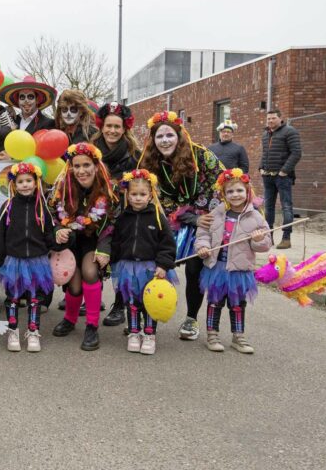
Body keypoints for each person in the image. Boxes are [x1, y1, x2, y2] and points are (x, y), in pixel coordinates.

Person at [138, 110, 224, 342]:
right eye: (159, 136)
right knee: (156, 264)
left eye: (169, 135)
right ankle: (147, 317)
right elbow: (154, 196)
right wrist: (184, 216)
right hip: (168, 220)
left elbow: (221, 182)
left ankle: (191, 319)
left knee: (195, 269)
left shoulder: (201, 155)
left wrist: (201, 214)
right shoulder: (149, 161)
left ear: (179, 135)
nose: (165, 140)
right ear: (153, 140)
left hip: (204, 217)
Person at [0, 162, 67, 353]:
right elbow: (0, 233)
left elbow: (49, 233)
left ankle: (33, 331)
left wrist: (59, 242)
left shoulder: (42, 208)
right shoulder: (7, 207)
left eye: (28, 181)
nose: (25, 185)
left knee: (35, 298)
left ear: (36, 183)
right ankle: (13, 331)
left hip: (37, 261)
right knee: (13, 297)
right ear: (14, 184)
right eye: (21, 181)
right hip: (13, 260)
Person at [50, 143, 117, 351]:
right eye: (76, 166)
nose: (81, 171)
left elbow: (112, 223)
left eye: (86, 165)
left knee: (89, 272)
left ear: (96, 166)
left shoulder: (108, 189)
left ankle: (91, 326)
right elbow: (52, 214)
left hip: (94, 241)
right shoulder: (62, 187)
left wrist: (105, 249)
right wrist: (57, 230)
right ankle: (70, 319)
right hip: (71, 242)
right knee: (75, 284)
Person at [196, 169, 270, 353]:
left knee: (237, 304)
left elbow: (265, 244)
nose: (235, 195)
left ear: (247, 192)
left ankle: (239, 336)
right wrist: (203, 247)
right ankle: (212, 334)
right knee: (215, 301)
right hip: (217, 267)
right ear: (223, 194)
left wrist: (258, 239)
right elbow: (203, 233)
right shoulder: (217, 213)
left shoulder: (256, 217)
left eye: (239, 191)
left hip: (240, 269)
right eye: (230, 192)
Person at [110, 169, 177, 355]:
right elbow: (117, 241)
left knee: (149, 301)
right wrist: (112, 262)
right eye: (134, 194)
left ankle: (149, 334)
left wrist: (163, 265)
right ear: (127, 194)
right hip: (128, 267)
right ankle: (133, 332)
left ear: (150, 195)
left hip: (151, 268)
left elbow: (168, 244)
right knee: (131, 301)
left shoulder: (157, 217)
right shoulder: (123, 217)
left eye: (142, 194)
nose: (138, 198)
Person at [91, 101, 140, 327]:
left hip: (123, 215)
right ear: (101, 126)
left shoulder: (134, 153)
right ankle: (92, 299)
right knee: (94, 256)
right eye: (108, 126)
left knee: (120, 259)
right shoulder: (91, 150)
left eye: (117, 127)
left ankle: (119, 304)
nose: (112, 130)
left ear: (124, 129)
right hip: (95, 212)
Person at [260, 109, 301, 250]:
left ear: (280, 118)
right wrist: (261, 167)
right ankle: (268, 238)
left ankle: (286, 238)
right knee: (268, 208)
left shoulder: (290, 131)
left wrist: (284, 171)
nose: (270, 121)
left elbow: (296, 153)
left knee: (286, 207)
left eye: (273, 118)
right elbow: (264, 153)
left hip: (283, 177)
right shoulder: (266, 134)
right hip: (268, 177)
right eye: (268, 119)